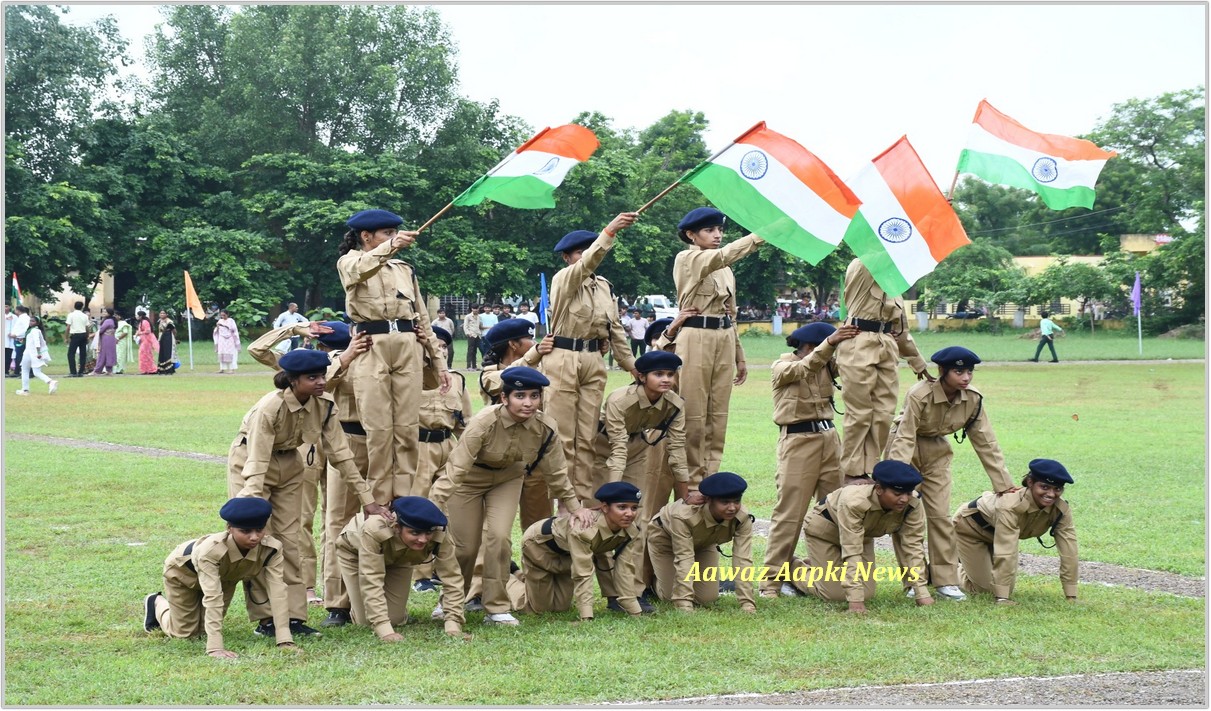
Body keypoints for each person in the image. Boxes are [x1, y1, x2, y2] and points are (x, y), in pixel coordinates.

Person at [227, 349, 388, 638]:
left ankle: (294, 618)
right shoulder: (269, 407)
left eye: (322, 375)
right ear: (291, 380)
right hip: (249, 462)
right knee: (258, 540)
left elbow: (341, 455)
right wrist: (251, 502)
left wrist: (369, 500)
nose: (320, 382)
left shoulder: (324, 405)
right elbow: (257, 460)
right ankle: (266, 620)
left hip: (290, 463)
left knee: (290, 542)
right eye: (311, 377)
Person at [429, 366, 593, 626]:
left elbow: (557, 472)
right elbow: (456, 468)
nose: (528, 403)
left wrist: (574, 507)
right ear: (504, 398)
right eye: (520, 396)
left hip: (508, 478)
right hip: (469, 481)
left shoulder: (545, 427)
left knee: (499, 538)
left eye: (534, 396)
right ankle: (449, 601)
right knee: (466, 546)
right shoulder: (484, 422)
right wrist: (434, 506)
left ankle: (495, 607)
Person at [884, 346, 1018, 602]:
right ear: (942, 371)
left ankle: (946, 581)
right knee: (905, 513)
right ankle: (914, 580)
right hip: (905, 448)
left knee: (940, 515)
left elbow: (986, 442)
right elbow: (905, 434)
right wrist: (897, 478)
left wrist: (1004, 484)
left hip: (937, 451)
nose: (966, 377)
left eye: (969, 372)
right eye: (959, 371)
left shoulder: (973, 399)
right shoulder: (920, 393)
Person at [336, 208, 450, 509]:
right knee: (379, 430)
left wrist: (439, 363)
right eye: (387, 233)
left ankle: (404, 497)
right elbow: (362, 269)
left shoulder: (404, 269)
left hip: (407, 344)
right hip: (371, 346)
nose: (393, 237)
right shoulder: (349, 261)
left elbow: (422, 317)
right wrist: (391, 247)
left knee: (407, 428)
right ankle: (379, 501)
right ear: (366, 236)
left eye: (393, 233)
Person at [545, 213, 640, 507]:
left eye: (590, 249)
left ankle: (582, 503)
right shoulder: (565, 279)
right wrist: (609, 232)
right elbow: (588, 263)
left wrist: (632, 367)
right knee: (563, 438)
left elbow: (615, 330)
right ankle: (564, 506)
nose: (586, 256)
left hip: (592, 360)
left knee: (586, 438)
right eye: (579, 252)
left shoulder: (603, 286)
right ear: (566, 258)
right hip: (563, 357)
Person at [760, 322, 859, 598]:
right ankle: (771, 582)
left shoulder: (828, 364)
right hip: (797, 441)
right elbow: (806, 368)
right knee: (789, 514)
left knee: (834, 511)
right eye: (827, 345)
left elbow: (857, 367)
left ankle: (825, 576)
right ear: (809, 346)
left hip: (830, 440)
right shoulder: (782, 366)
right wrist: (830, 344)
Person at [672, 208, 765, 490]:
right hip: (695, 335)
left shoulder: (725, 269)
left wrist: (739, 354)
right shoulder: (688, 258)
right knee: (694, 413)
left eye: (719, 230)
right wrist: (762, 234)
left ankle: (711, 476)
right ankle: (691, 481)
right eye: (709, 231)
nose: (718, 235)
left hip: (723, 335)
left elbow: (730, 313)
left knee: (718, 413)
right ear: (691, 235)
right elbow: (723, 255)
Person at [142, 498, 298, 658]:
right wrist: (215, 648)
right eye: (245, 531)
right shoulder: (211, 551)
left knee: (203, 630)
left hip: (225, 578)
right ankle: (156, 603)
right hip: (183, 576)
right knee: (185, 634)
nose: (254, 537)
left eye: (259, 530)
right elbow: (213, 597)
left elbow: (278, 591)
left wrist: (285, 640)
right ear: (229, 528)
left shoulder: (271, 549)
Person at [834, 257, 932, 482]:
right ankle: (852, 471)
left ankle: (870, 466)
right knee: (859, 413)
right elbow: (872, 251)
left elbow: (902, 331)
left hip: (887, 345)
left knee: (883, 413)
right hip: (858, 340)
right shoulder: (861, 267)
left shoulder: (895, 286)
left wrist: (918, 363)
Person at [800, 460, 933, 611]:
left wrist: (921, 592)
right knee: (834, 594)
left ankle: (820, 566)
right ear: (878, 489)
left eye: (908, 493)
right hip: (825, 532)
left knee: (867, 592)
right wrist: (855, 601)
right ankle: (793, 569)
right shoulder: (854, 502)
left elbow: (913, 546)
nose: (904, 499)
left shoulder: (913, 503)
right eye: (897, 494)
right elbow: (852, 549)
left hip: (862, 535)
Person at [506, 481, 652, 619]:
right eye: (622, 507)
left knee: (560, 607)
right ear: (605, 508)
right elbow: (583, 572)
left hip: (568, 555)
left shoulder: (630, 531)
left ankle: (519, 573)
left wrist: (634, 611)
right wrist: (586, 616)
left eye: (634, 508)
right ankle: (507, 578)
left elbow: (625, 570)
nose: (629, 513)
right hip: (539, 549)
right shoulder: (584, 529)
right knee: (538, 609)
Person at [336, 496, 466, 640]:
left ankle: (374, 602)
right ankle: (351, 601)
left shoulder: (439, 531)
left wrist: (453, 624)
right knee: (367, 622)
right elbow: (372, 579)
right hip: (356, 554)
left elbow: (452, 577)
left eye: (427, 533)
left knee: (395, 619)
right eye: (415, 533)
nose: (423, 539)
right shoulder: (374, 530)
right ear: (397, 527)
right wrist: (385, 631)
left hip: (401, 557)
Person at [953, 458, 1078, 604]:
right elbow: (1006, 551)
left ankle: (956, 560)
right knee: (987, 590)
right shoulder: (1010, 506)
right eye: (1044, 487)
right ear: (1030, 483)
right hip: (970, 530)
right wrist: (1002, 598)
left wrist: (1071, 595)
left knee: (1004, 586)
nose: (1051, 494)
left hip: (995, 535)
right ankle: (940, 571)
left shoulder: (1061, 510)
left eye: (1057, 489)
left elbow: (1070, 552)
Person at [409, 325, 472, 592]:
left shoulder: (456, 379)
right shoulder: (410, 378)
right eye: (435, 347)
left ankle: (442, 566)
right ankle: (419, 574)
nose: (440, 351)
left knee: (448, 509)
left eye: (444, 347)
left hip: (448, 445)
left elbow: (464, 422)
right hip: (418, 448)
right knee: (419, 507)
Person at [645, 471, 757, 613]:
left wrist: (747, 603)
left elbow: (743, 560)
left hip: (704, 542)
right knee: (671, 596)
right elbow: (684, 557)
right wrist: (684, 604)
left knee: (707, 598)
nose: (732, 508)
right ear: (708, 500)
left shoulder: (742, 518)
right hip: (666, 541)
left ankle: (676, 580)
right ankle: (656, 581)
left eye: (736, 501)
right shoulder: (684, 516)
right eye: (725, 502)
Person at [14, 315, 57, 395]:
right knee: (26, 370)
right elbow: (30, 342)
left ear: (37, 323)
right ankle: (25, 390)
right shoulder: (31, 330)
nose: (31, 322)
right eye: (30, 321)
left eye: (33, 321)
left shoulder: (35, 331)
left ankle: (50, 381)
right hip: (29, 353)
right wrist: (22, 341)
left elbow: (37, 342)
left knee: (34, 372)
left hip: (34, 353)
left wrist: (38, 353)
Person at [65, 301, 91, 378]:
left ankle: (73, 372)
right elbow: (87, 327)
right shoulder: (85, 316)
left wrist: (66, 337)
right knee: (83, 354)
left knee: (71, 354)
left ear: (74, 306)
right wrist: (87, 336)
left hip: (75, 335)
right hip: (83, 335)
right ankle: (81, 372)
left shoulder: (71, 315)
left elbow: (68, 327)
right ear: (82, 307)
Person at [91, 308, 118, 375]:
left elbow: (102, 330)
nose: (103, 313)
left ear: (109, 313)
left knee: (102, 354)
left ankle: (97, 370)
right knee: (109, 353)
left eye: (105, 312)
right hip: (111, 338)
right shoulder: (112, 320)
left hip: (106, 338)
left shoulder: (107, 321)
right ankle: (109, 370)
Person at [10, 305, 30, 377]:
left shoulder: (24, 318)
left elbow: (26, 329)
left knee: (20, 356)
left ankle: (22, 371)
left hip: (21, 339)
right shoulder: (21, 317)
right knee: (18, 355)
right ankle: (17, 371)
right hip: (18, 338)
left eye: (15, 310)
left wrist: (16, 334)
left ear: (18, 310)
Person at [462, 306, 482, 370]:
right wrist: (468, 333)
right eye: (474, 308)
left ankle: (474, 366)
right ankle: (468, 366)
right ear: (472, 309)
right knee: (470, 350)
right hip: (471, 335)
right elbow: (465, 326)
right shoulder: (468, 316)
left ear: (478, 309)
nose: (475, 310)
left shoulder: (479, 316)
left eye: (476, 308)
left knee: (475, 351)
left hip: (477, 335)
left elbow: (479, 326)